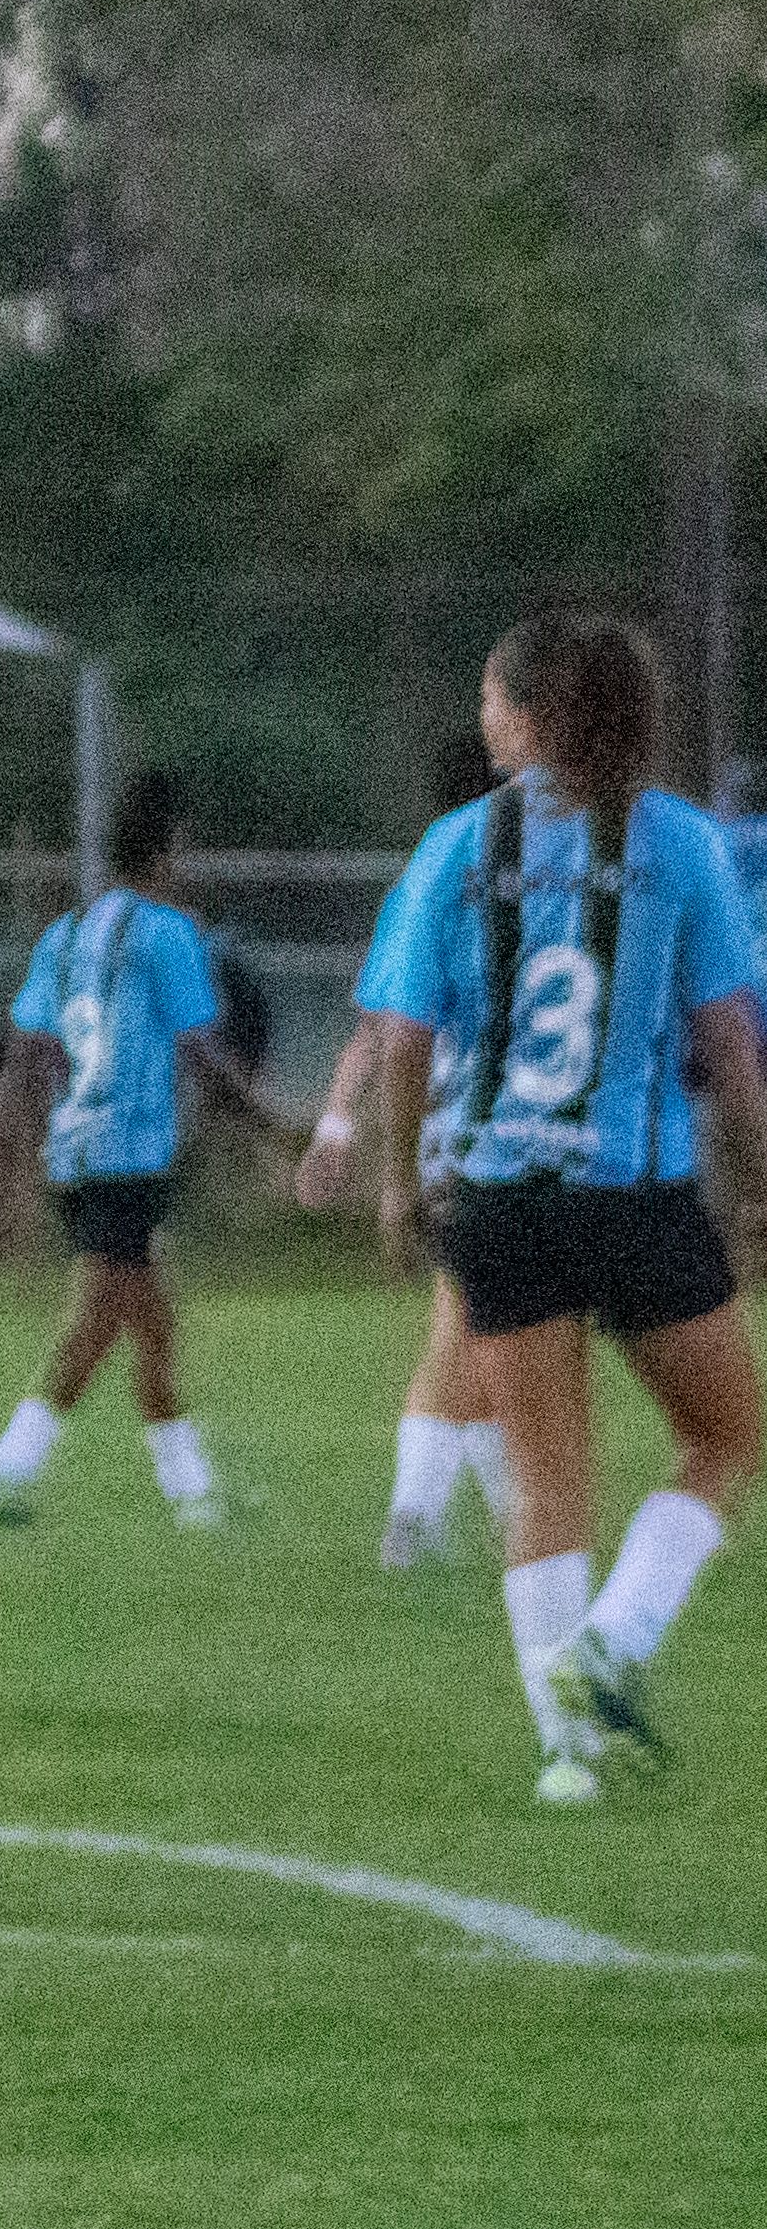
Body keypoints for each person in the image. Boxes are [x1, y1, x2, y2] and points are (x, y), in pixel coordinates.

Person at [326, 611, 764, 1804]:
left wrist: (397, 1176)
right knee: (726, 1434)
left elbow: (405, 1033)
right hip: (631, 1189)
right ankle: (615, 1643)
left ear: (531, 716)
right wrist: (754, 1183)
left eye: (488, 701)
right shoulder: (679, 844)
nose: (480, 720)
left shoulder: (456, 847)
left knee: (547, 1473)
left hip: (497, 1197)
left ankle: (565, 1756)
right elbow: (729, 1041)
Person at [0, 769, 292, 1527]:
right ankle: (7, 1472)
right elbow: (202, 1052)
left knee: (152, 1326)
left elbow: (24, 1057)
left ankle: (194, 1496)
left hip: (72, 1157)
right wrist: (272, 1123)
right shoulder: (171, 935)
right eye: (187, 845)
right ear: (169, 847)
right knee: (98, 1323)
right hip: (129, 1159)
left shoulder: (64, 937)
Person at [302, 729, 526, 1569]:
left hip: (450, 1127)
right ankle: (430, 1519)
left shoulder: (428, 873)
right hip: (512, 1132)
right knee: (480, 1321)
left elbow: (381, 1023)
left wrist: (336, 1122)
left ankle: (498, 1519)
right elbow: (396, 1027)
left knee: (482, 1319)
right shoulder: (542, 866)